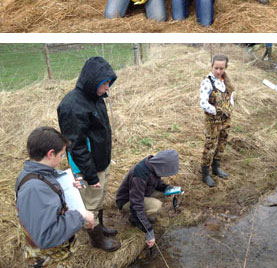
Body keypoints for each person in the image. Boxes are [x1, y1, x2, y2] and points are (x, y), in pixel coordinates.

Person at [57, 56, 120, 252]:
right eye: (105, 84)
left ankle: (100, 227)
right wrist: (91, 176)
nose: (108, 88)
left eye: (109, 83)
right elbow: (76, 147)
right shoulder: (72, 107)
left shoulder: (96, 97)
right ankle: (96, 239)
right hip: (88, 168)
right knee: (90, 202)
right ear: (93, 82)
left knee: (98, 198)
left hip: (101, 161)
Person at [15, 126, 94, 267]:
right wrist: (80, 216)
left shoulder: (34, 171)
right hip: (48, 259)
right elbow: (47, 236)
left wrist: (66, 186)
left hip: (54, 253)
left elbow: (46, 193)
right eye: (61, 155)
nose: (62, 159)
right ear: (50, 153)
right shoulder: (35, 189)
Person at [116, 150, 179, 248]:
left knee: (166, 194)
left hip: (142, 193)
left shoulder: (154, 166)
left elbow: (157, 183)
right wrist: (149, 231)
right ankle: (134, 219)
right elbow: (136, 205)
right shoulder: (140, 175)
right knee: (156, 205)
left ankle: (142, 216)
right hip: (126, 201)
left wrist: (167, 188)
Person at [200, 54, 234, 187]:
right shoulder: (207, 82)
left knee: (222, 143)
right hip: (213, 122)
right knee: (210, 146)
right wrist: (217, 111)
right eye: (216, 68)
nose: (218, 71)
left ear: (225, 67)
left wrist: (229, 109)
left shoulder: (226, 81)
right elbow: (203, 103)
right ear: (212, 66)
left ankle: (216, 167)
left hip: (226, 120)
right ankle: (205, 173)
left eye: (221, 68)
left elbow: (231, 98)